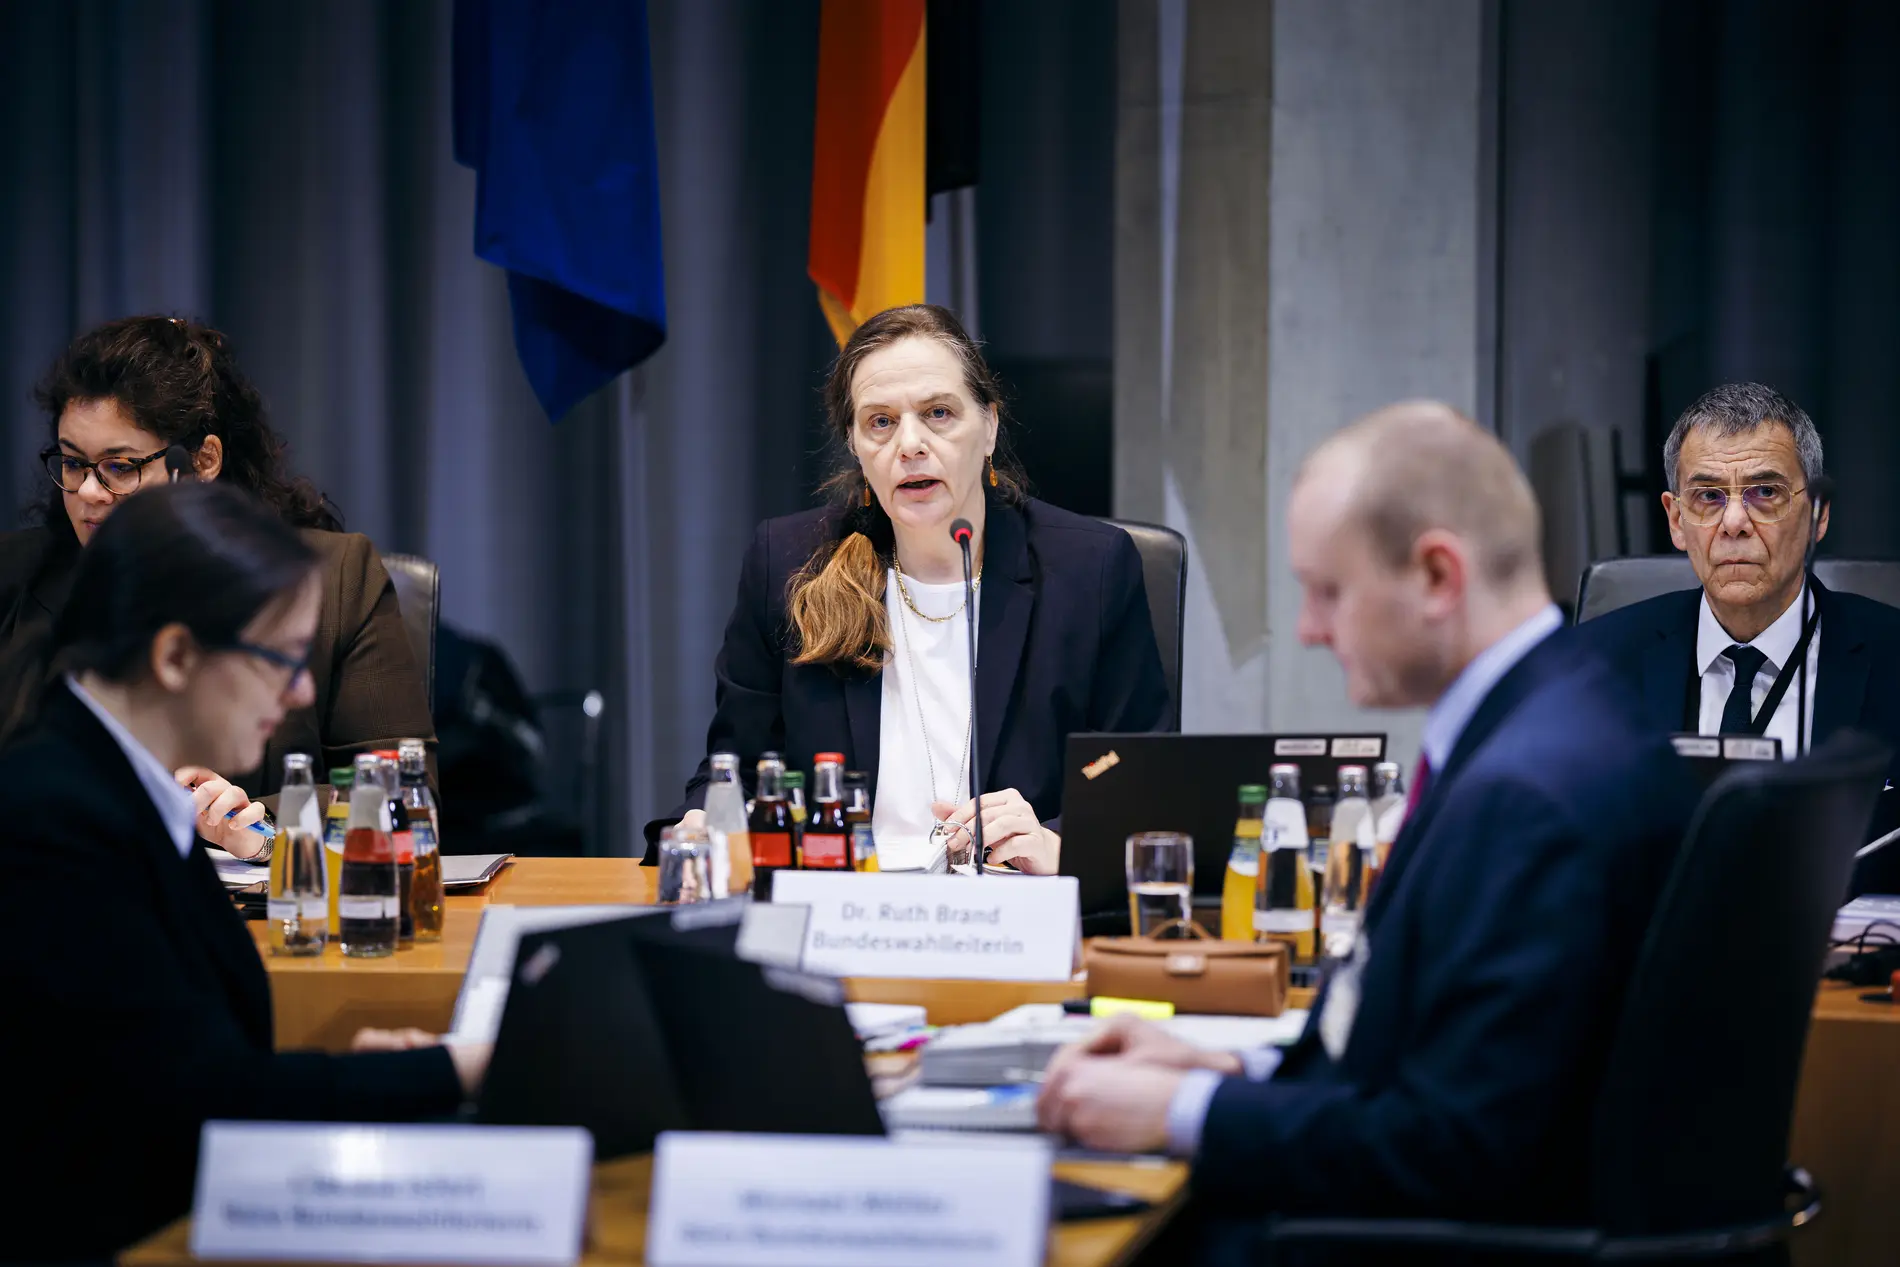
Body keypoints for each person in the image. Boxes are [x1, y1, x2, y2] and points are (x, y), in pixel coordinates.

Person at [1037, 403, 1698, 1243]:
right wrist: (1234, 1066)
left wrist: (1188, 1108)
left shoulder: (1532, 794)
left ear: (1436, 576)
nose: (1309, 629)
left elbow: (1458, 1147)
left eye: (1328, 591)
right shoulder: (1557, 714)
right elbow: (1428, 1048)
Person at [0, 482, 484, 1261]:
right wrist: (451, 1068)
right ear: (176, 655)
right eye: (281, 659)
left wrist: (342, 1072)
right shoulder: (53, 823)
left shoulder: (126, 791)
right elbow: (200, 1109)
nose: (300, 692)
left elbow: (183, 1066)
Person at [651, 304, 1169, 874]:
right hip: (841, 906)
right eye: (880, 421)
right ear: (854, 444)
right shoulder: (789, 563)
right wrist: (701, 822)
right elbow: (738, 771)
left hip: (1012, 913)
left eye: (939, 413)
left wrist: (1056, 843)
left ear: (990, 426)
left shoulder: (1089, 569)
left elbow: (1129, 773)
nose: (910, 444)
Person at [0, 315, 436, 858]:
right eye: (72, 463)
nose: (88, 491)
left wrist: (256, 822)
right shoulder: (16, 575)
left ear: (202, 462)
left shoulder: (336, 578)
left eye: (119, 466)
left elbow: (406, 802)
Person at [1576, 383, 1900, 895]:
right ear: (1676, 519)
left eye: (1765, 493)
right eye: (1708, 496)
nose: (1733, 523)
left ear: (1817, 514)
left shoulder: (1892, 660)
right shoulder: (1591, 666)